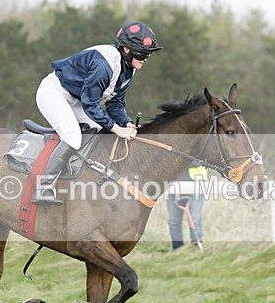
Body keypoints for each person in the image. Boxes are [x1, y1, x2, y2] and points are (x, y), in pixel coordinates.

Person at [32, 22, 162, 205]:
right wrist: (117, 128)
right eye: (142, 53)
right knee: (72, 137)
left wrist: (126, 123)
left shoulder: (128, 68)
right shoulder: (104, 65)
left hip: (77, 99)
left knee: (99, 132)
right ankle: (43, 188)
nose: (145, 59)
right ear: (126, 49)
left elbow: (115, 103)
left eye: (148, 54)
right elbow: (91, 104)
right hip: (54, 93)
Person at [167, 161, 208, 250]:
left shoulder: (198, 147)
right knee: (173, 221)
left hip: (196, 186)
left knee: (195, 219)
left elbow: (201, 162)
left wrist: (180, 161)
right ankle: (177, 249)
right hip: (173, 186)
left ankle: (196, 248)